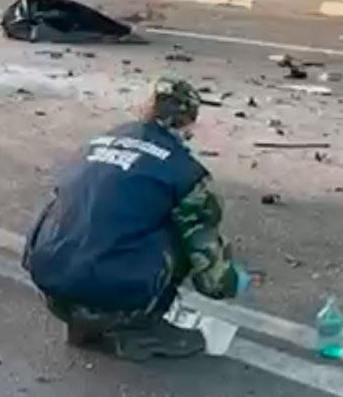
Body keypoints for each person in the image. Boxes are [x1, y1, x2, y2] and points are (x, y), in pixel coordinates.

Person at [22, 77, 245, 360]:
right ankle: (139, 328)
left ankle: (83, 323)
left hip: (51, 285)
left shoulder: (92, 145)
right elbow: (212, 277)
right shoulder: (185, 172)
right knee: (185, 228)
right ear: (188, 124)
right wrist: (232, 282)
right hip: (113, 293)